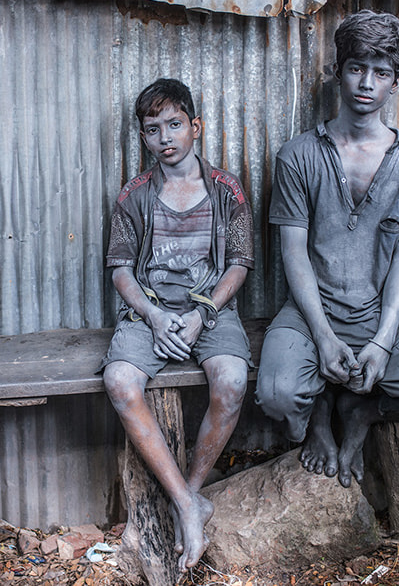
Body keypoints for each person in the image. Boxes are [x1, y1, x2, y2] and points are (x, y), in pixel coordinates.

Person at [256, 10, 399, 488]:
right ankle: (316, 421)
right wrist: (325, 335)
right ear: (338, 70)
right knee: (277, 394)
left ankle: (360, 411)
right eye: (356, 68)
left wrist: (382, 340)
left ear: (396, 82)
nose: (366, 83)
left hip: (380, 310)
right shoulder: (298, 155)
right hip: (314, 310)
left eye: (381, 72)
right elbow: (293, 253)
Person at [100, 78, 253, 572]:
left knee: (231, 380)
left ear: (195, 127)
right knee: (120, 381)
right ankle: (188, 504)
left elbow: (240, 264)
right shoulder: (135, 194)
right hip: (150, 312)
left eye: (174, 125)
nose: (165, 138)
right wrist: (153, 313)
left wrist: (204, 311)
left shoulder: (226, 190)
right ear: (143, 138)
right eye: (152, 130)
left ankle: (190, 491)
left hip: (209, 310)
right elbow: (121, 269)